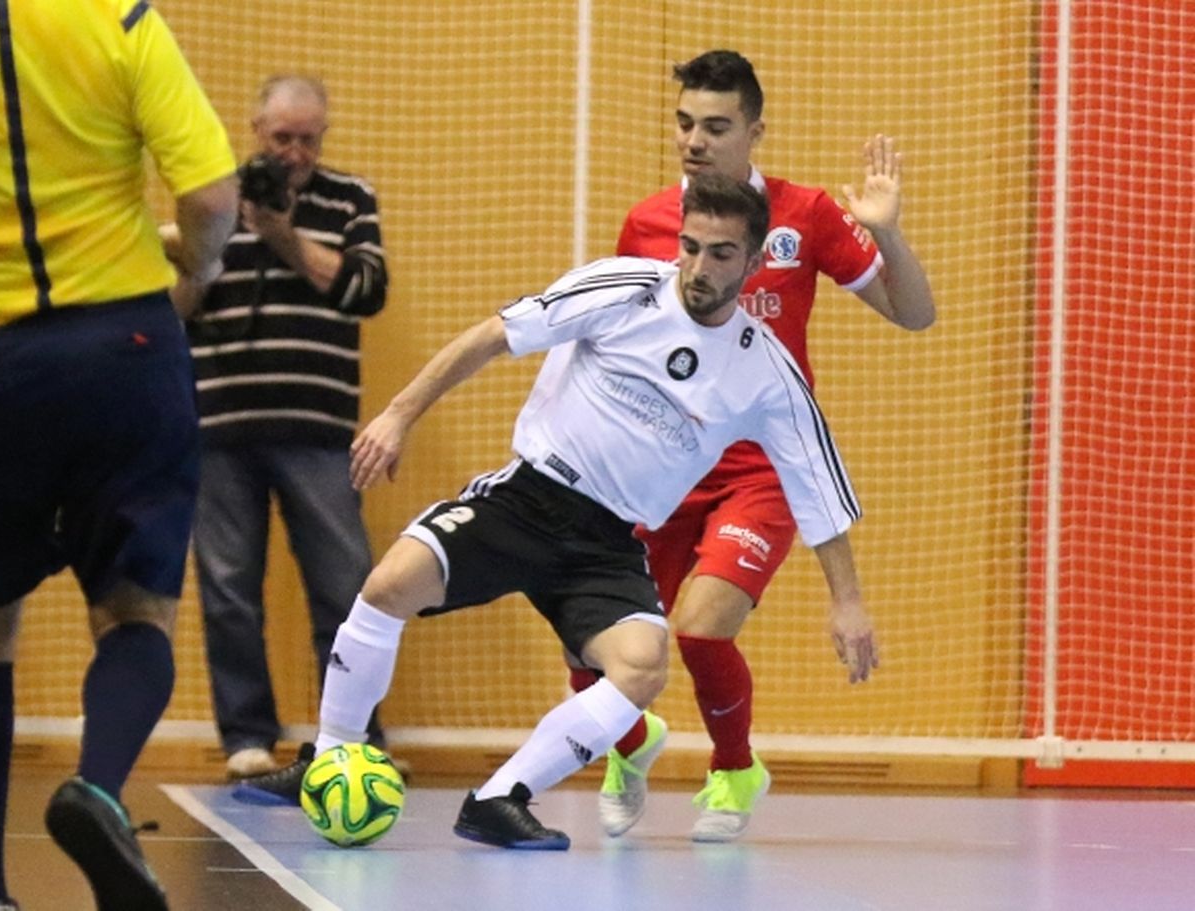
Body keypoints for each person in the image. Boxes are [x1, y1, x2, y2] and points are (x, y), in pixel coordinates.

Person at [233, 172, 878, 849]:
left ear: (753, 263)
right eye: (690, 246)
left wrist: (849, 601)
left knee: (641, 665)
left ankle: (496, 799)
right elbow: (492, 336)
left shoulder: (767, 370)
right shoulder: (624, 288)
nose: (698, 266)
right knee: (388, 583)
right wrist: (399, 415)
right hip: (529, 497)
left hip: (606, 541)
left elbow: (816, 483)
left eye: (721, 254)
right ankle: (330, 755)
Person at [575, 49, 936, 843]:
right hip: (660, 461)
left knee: (702, 628)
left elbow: (914, 314)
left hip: (760, 468)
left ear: (755, 130)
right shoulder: (646, 223)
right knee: (594, 639)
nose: (693, 141)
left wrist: (888, 235)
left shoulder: (803, 216)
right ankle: (629, 745)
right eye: (684, 124)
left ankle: (735, 767)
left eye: (715, 126)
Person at [0, 1, 237, 909]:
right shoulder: (115, 19)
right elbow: (206, 194)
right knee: (134, 610)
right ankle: (98, 786)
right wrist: (194, 271)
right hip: (125, 348)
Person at [177, 75, 391, 781]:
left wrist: (282, 236)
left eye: (308, 138)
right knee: (228, 587)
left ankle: (354, 738)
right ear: (255, 130)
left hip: (318, 426)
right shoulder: (211, 195)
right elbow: (177, 304)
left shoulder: (350, 198)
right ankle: (246, 735)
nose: (295, 152)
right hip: (218, 423)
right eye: (282, 138)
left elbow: (366, 290)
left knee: (346, 585)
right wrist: (217, 235)